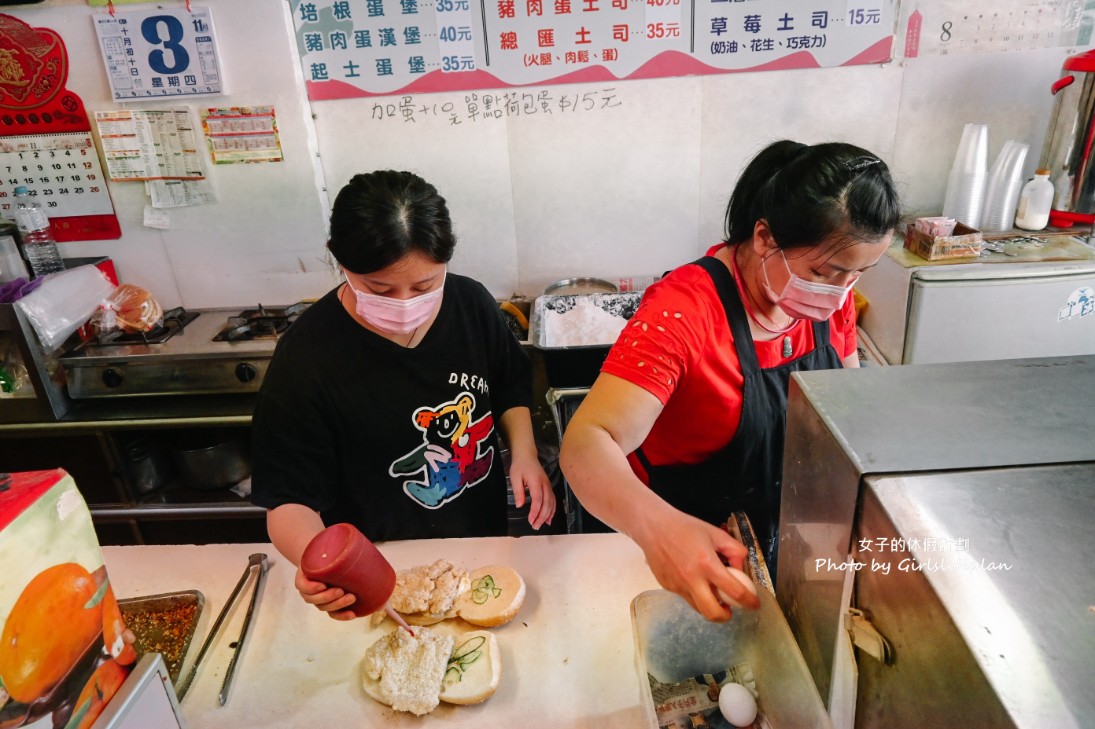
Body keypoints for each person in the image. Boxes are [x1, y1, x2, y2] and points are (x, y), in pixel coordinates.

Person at [559, 140, 900, 621]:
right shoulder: (685, 310)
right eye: (825, 272)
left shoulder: (833, 302)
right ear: (764, 237)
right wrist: (660, 531)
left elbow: (845, 414)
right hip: (690, 563)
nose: (841, 293)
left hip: (793, 542)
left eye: (858, 275)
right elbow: (586, 443)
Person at [250, 170, 556, 619]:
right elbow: (289, 499)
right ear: (339, 260)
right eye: (379, 288)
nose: (405, 303)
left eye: (425, 286)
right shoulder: (308, 355)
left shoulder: (471, 304)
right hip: (376, 563)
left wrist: (525, 453)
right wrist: (319, 562)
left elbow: (509, 381)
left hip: (478, 540)